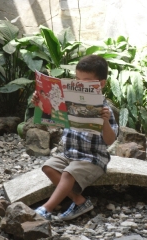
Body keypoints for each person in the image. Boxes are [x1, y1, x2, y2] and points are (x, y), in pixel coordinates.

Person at [31, 55, 119, 221]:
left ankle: (45, 209)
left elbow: (110, 141)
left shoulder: (104, 109)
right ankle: (79, 201)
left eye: (85, 81)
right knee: (48, 166)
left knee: (68, 173)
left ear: (101, 84)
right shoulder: (69, 101)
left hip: (92, 158)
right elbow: (51, 119)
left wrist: (105, 122)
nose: (79, 84)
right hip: (70, 154)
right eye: (77, 79)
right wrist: (40, 103)